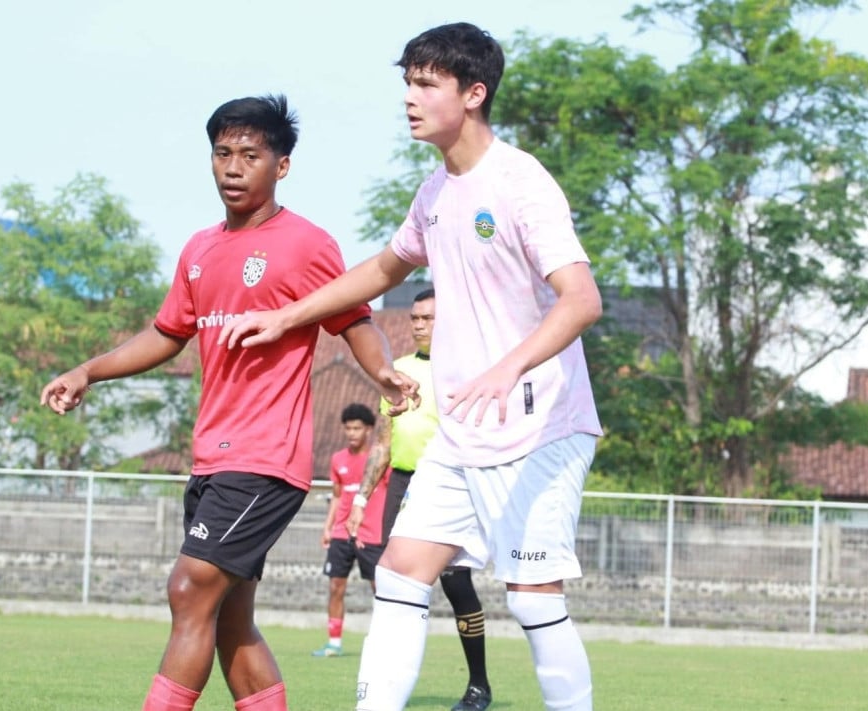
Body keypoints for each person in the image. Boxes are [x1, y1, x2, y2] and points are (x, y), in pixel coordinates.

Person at [220, 23, 602, 711]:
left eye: (426, 83)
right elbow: (381, 268)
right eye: (407, 82)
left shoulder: (520, 183)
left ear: (474, 93)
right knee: (397, 572)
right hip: (463, 432)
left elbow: (582, 300)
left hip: (541, 424)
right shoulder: (434, 193)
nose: (409, 97)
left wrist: (505, 367)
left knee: (532, 594)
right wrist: (287, 316)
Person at [40, 94, 415, 711]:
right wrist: (89, 370)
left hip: (267, 460)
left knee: (189, 589)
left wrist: (383, 373)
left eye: (250, 154)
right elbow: (167, 334)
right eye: (222, 153)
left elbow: (355, 320)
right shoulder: (198, 250)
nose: (232, 167)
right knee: (229, 619)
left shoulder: (306, 244)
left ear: (282, 165)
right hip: (212, 459)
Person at [346, 288, 492, 711]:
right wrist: (359, 499)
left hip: (453, 483)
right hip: (403, 483)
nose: (419, 325)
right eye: (414, 318)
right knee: (392, 581)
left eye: (428, 318)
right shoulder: (398, 371)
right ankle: (385, 687)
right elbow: (384, 443)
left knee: (457, 583)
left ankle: (478, 684)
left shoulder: (466, 370)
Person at [314, 402, 389, 658]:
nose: (352, 434)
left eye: (357, 428)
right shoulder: (337, 459)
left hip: (371, 534)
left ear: (369, 430)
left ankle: (385, 641)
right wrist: (328, 527)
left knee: (380, 589)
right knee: (336, 586)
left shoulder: (380, 460)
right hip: (341, 534)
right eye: (348, 429)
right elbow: (336, 497)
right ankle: (334, 642)